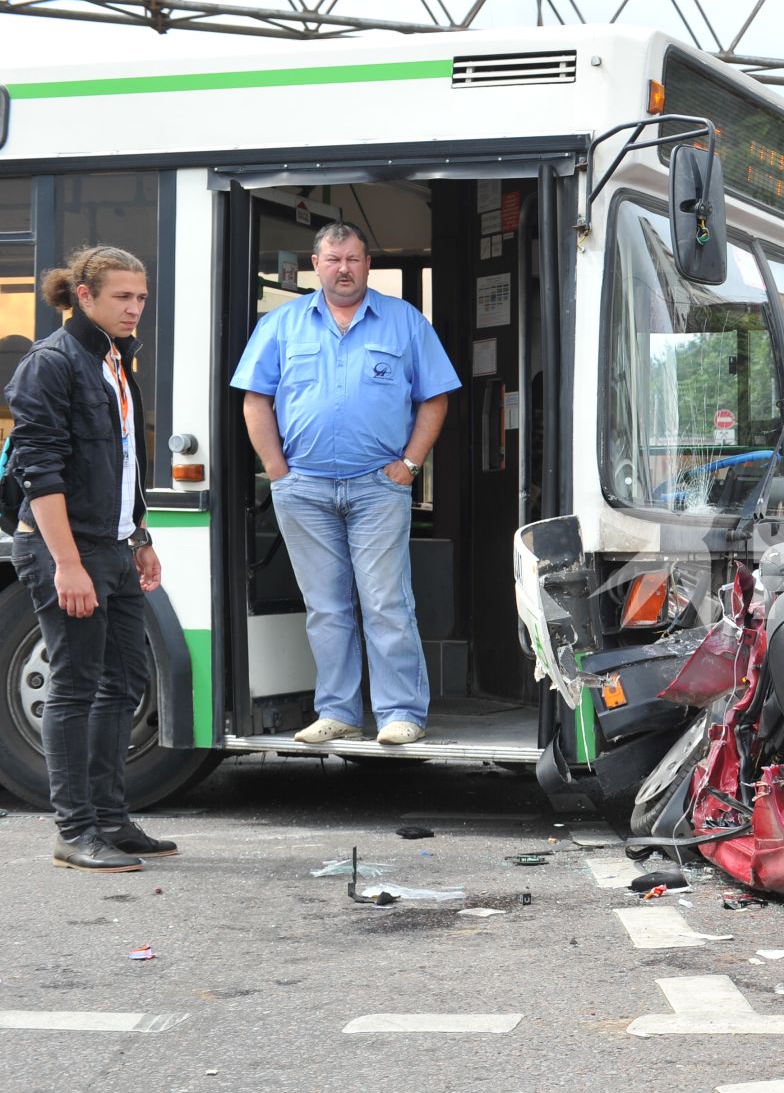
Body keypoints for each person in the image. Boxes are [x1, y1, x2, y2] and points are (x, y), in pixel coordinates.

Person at [231, 223, 459, 746]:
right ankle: (338, 710)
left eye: (353, 259)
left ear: (367, 263)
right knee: (326, 608)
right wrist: (279, 473)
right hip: (304, 489)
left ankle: (402, 712)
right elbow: (255, 400)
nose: (344, 268)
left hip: (378, 486)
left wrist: (411, 463)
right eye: (333, 260)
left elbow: (435, 397)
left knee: (385, 602)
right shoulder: (283, 324)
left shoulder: (403, 321)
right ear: (317, 264)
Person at [4, 247, 175, 871]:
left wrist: (141, 536)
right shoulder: (51, 363)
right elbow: (38, 473)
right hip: (66, 549)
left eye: (141, 298)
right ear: (84, 295)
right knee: (74, 688)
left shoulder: (114, 358)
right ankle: (74, 832)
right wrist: (66, 565)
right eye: (123, 297)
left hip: (115, 546)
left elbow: (124, 460)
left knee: (124, 680)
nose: (135, 309)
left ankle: (109, 819)